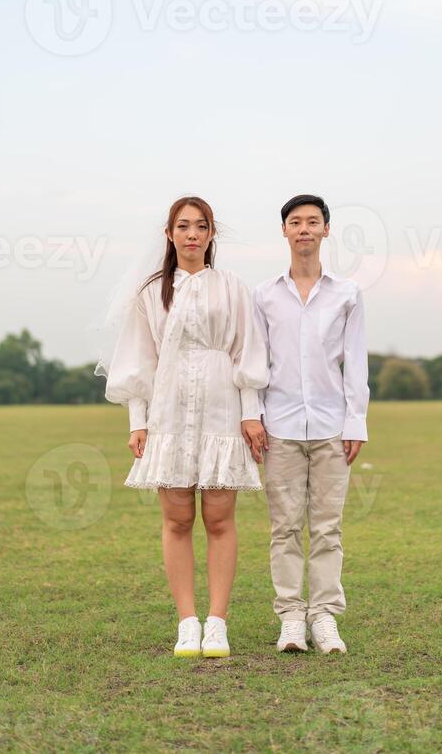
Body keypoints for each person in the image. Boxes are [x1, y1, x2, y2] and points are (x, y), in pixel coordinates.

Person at [97, 196, 269, 658]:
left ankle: (218, 622)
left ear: (212, 235)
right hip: (168, 412)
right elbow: (139, 358)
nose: (192, 234)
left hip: (221, 411)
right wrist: (139, 421)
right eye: (183, 226)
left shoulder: (233, 288)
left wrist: (250, 412)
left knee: (219, 517)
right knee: (176, 519)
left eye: (201, 226)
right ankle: (186, 622)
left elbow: (246, 352)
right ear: (169, 234)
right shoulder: (151, 292)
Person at [251, 194, 370, 655]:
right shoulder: (263, 295)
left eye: (312, 222)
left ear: (326, 230)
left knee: (326, 528)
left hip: (331, 427)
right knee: (283, 529)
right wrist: (255, 417)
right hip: (277, 427)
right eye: (295, 222)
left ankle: (324, 617)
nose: (304, 229)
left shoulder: (347, 293)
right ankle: (290, 618)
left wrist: (355, 421)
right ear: (284, 231)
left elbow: (355, 361)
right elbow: (257, 361)